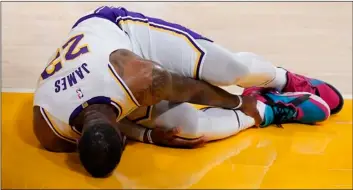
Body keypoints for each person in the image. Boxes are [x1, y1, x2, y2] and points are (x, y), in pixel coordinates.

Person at [32, 5, 339, 177]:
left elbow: (191, 90)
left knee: (227, 70)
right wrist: (149, 136)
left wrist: (237, 101)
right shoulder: (49, 131)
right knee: (188, 130)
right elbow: (115, 125)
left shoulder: (134, 78)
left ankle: (279, 78)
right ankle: (265, 109)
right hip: (112, 84)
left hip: (123, 35)